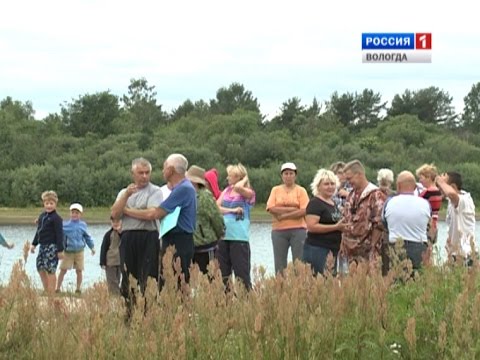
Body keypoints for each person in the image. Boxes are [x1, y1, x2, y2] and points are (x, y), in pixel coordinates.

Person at [123, 154, 196, 285]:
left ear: (171, 170)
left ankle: (177, 305)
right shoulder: (181, 188)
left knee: (176, 282)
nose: (163, 171)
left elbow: (155, 214)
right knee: (166, 281)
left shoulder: (183, 188)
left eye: (165, 167)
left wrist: (126, 210)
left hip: (179, 240)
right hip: (174, 238)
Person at [111, 157, 163, 307]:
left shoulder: (155, 191)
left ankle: (149, 312)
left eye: (147, 173)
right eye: (141, 173)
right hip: (128, 237)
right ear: (133, 173)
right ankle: (129, 312)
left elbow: (151, 214)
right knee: (128, 277)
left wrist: (126, 210)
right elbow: (114, 214)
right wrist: (126, 196)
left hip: (149, 235)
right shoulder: (124, 193)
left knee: (149, 277)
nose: (144, 176)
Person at [382, 171, 432, 273]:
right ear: (414, 188)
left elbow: (384, 223)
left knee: (395, 282)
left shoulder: (389, 202)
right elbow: (429, 225)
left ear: (398, 186)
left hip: (395, 248)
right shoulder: (425, 204)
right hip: (419, 248)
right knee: (417, 283)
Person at [217, 163, 256, 290]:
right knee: (223, 275)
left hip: (239, 238)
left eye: (231, 176)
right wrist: (232, 210)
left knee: (241, 274)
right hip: (224, 236)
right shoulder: (226, 191)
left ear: (238, 177)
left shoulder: (248, 193)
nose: (227, 178)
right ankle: (226, 303)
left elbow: (239, 188)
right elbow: (216, 207)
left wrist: (244, 179)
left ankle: (246, 301)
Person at [340, 160, 387, 265]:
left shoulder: (375, 195)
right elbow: (346, 220)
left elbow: (379, 223)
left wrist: (372, 247)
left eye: (349, 178)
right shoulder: (351, 195)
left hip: (368, 253)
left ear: (359, 174)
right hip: (351, 253)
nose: (348, 182)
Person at [266, 162, 309, 274]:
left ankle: (299, 287)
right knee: (279, 264)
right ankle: (281, 288)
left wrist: (284, 215)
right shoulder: (275, 190)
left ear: (295, 175)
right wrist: (293, 209)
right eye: (286, 173)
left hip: (298, 229)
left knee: (299, 262)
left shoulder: (301, 191)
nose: (288, 176)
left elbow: (304, 210)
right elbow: (271, 208)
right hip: (278, 230)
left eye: (291, 173)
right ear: (282, 175)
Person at [302, 169, 347, 275]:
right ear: (318, 186)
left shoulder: (333, 203)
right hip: (317, 248)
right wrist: (335, 227)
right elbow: (311, 226)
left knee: (330, 281)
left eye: (332, 184)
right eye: (326, 184)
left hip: (333, 249)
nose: (330, 187)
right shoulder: (315, 203)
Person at [186, 165, 225, 274]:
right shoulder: (186, 194)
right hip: (191, 245)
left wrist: (220, 233)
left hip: (206, 245)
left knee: (210, 277)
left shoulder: (205, 196)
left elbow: (216, 218)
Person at [436, 171, 476, 265]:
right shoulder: (451, 202)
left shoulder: (464, 201)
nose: (440, 189)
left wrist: (441, 181)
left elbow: (452, 194)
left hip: (465, 255)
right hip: (455, 254)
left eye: (442, 187)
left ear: (453, 187)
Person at [56, 203, 95, 294]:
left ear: (80, 214)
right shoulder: (64, 225)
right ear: (70, 213)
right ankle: (57, 288)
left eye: (77, 213)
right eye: (73, 212)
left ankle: (78, 289)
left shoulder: (83, 225)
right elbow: (58, 234)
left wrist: (92, 247)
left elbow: (87, 237)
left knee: (79, 270)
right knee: (63, 269)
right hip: (68, 251)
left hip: (79, 251)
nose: (74, 215)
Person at [30, 191, 64, 294]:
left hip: (52, 247)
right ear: (44, 204)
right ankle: (46, 289)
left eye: (51, 203)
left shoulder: (56, 218)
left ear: (55, 204)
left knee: (51, 269)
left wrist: (60, 250)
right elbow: (39, 232)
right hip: (43, 246)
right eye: (47, 203)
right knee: (40, 267)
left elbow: (60, 235)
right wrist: (34, 244)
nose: (49, 206)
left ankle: (52, 291)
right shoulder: (42, 216)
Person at [416, 163, 442, 243]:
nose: (420, 181)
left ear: (428, 177)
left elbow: (415, 204)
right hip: (434, 225)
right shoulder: (438, 191)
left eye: (421, 178)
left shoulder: (428, 192)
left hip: (426, 226)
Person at [100, 216, 122, 295]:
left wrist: (120, 232)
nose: (116, 224)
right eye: (114, 222)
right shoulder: (108, 234)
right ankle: (116, 295)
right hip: (110, 262)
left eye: (118, 222)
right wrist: (102, 262)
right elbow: (103, 248)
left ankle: (117, 295)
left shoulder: (124, 234)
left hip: (120, 261)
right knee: (112, 281)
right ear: (111, 223)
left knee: (118, 279)